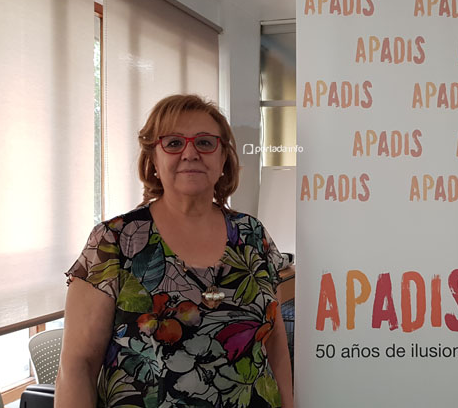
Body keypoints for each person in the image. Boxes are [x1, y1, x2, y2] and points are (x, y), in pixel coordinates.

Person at [55, 94, 294, 408]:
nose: (190, 153)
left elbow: (275, 343)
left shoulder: (252, 234)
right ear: (153, 160)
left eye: (205, 143)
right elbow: (77, 366)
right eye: (173, 143)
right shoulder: (114, 241)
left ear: (223, 158)